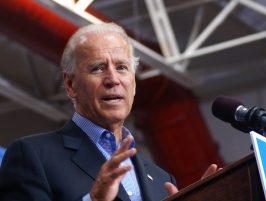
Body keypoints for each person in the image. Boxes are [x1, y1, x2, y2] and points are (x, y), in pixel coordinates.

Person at [0, 22, 219, 201]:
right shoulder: (32, 155)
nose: (113, 79)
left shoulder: (162, 178)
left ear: (133, 84)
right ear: (70, 85)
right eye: (97, 68)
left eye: (122, 68)